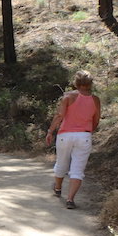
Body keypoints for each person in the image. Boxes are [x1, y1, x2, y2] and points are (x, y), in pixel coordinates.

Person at [45, 71, 101, 209]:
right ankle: (70, 200)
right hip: (84, 136)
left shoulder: (68, 97)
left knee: (61, 163)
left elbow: (59, 116)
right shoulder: (95, 100)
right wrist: (88, 131)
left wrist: (50, 131)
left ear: (76, 83)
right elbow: (96, 120)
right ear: (90, 83)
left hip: (65, 135)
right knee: (77, 169)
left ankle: (58, 188)